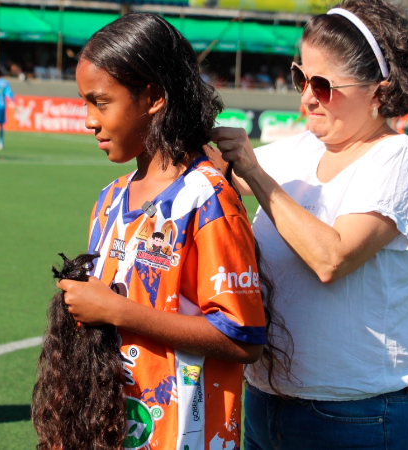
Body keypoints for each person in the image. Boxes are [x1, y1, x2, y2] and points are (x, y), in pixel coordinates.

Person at [208, 0, 408, 448]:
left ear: (379, 92)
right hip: (264, 404)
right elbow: (211, 169)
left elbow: (331, 257)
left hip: (361, 416)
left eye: (324, 85)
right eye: (300, 76)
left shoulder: (398, 157)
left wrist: (253, 172)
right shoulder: (299, 151)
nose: (306, 96)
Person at [54, 13, 274, 450]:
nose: (87, 120)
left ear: (153, 97)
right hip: (116, 428)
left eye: (100, 102)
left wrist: (117, 312)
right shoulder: (109, 199)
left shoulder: (207, 199)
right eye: (84, 103)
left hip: (186, 436)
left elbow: (242, 337)